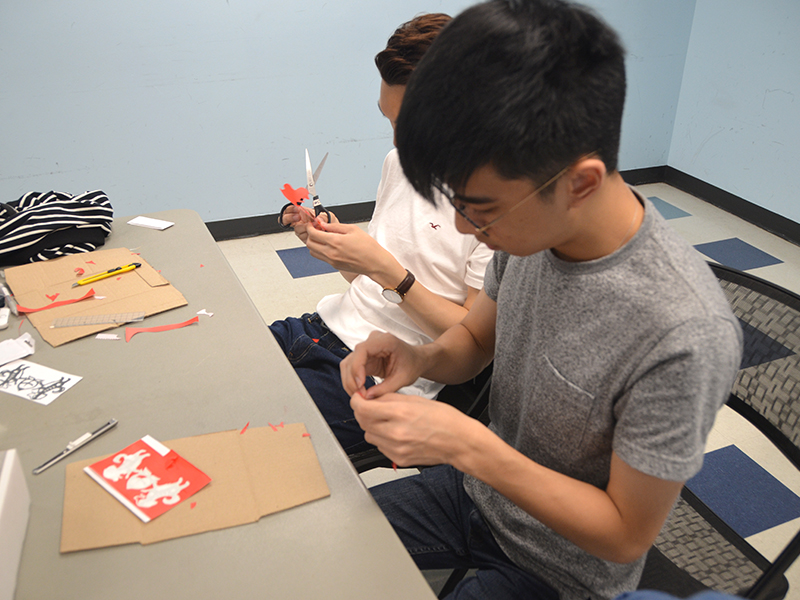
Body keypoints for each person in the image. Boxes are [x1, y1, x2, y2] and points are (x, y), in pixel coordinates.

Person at [340, 1, 743, 599]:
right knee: (318, 551)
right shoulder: (529, 229)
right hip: (476, 493)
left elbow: (625, 536)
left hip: (562, 567)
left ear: (579, 182)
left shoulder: (682, 330)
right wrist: (419, 358)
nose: (459, 228)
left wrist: (465, 444)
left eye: (477, 207)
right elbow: (474, 342)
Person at [269, 13, 493, 455]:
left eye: (410, 126)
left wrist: (388, 270)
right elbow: (374, 286)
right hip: (318, 330)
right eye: (390, 121)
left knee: (254, 449)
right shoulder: (399, 164)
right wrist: (333, 249)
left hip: (379, 374)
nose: (398, 142)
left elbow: (473, 344)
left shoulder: (500, 204)